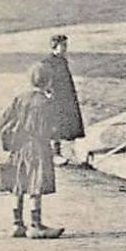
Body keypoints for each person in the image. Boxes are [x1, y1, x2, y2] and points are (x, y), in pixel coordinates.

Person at [1, 63, 65, 238]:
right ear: (48, 81)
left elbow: (4, 120)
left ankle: (17, 224)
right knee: (35, 184)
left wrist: (9, 143)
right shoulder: (46, 102)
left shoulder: (20, 98)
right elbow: (51, 128)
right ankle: (36, 225)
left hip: (19, 146)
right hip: (38, 147)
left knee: (19, 183)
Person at [42, 34, 84, 166]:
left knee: (66, 126)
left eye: (66, 45)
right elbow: (45, 81)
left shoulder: (62, 60)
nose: (65, 48)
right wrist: (48, 93)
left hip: (66, 97)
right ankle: (55, 154)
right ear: (55, 46)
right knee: (55, 127)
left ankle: (66, 153)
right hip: (55, 98)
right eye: (63, 45)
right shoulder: (48, 62)